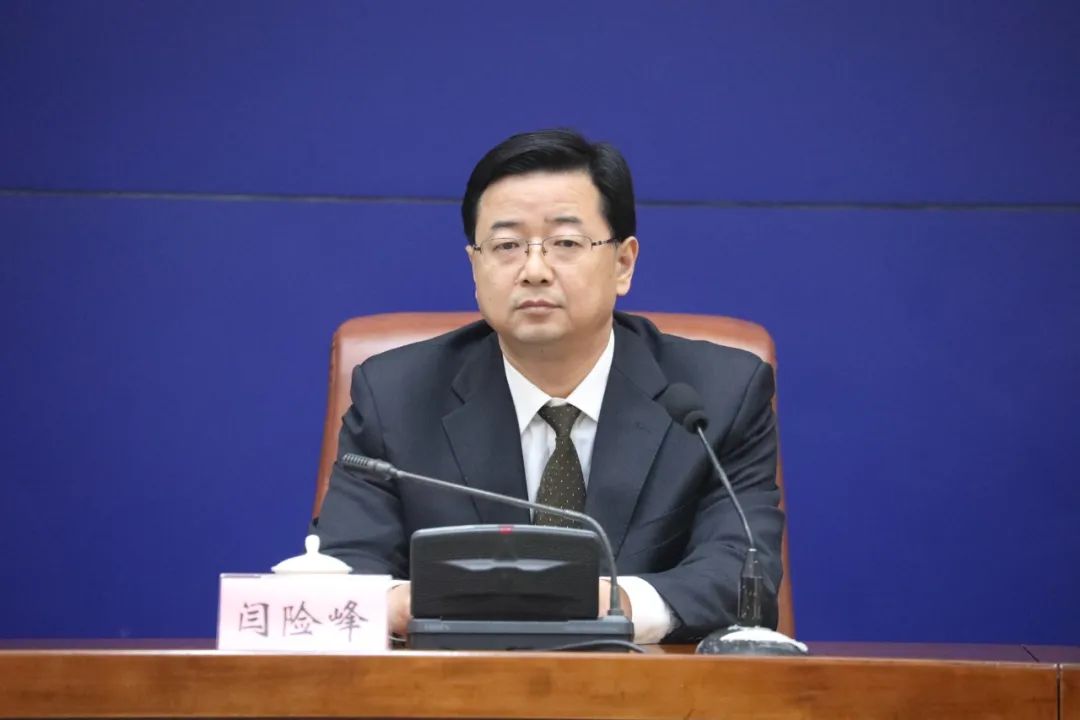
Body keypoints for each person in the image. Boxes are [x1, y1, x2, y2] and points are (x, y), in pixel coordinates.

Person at [316, 129, 784, 643]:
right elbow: (345, 570)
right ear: (475, 266)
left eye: (565, 243)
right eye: (507, 246)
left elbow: (741, 577)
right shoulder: (395, 397)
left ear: (623, 263)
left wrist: (603, 603)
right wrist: (404, 603)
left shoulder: (716, 397)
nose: (534, 270)